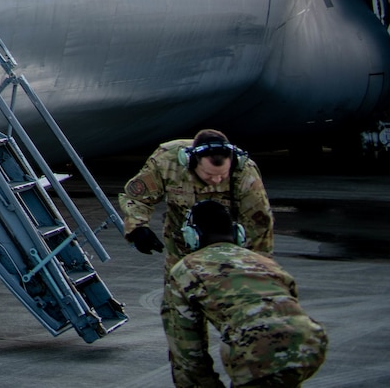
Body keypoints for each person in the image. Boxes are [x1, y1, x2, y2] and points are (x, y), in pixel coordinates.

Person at [164, 200, 326, 388]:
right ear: (237, 233)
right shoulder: (264, 263)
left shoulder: (186, 269)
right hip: (309, 343)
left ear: (192, 235)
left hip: (254, 350)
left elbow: (187, 352)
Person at [121, 130, 276, 269]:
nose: (216, 180)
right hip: (181, 247)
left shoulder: (245, 173)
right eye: (209, 174)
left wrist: (259, 269)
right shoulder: (167, 161)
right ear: (191, 162)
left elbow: (260, 224)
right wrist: (138, 226)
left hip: (229, 250)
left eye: (222, 175)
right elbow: (136, 198)